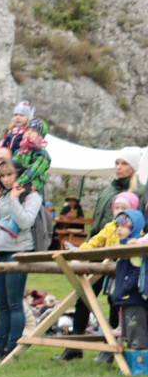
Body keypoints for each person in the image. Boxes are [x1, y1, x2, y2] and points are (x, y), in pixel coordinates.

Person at [55, 148, 142, 362]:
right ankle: (74, 345)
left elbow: (140, 221)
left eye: (124, 163)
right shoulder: (108, 189)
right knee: (83, 296)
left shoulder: (140, 191)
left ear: (133, 167)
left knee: (115, 299)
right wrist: (86, 246)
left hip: (121, 253)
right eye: (117, 162)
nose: (119, 167)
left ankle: (109, 348)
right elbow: (98, 223)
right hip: (97, 248)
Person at [0, 160, 42, 359]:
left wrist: (15, 200)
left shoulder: (32, 196)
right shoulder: (3, 194)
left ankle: (12, 347)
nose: (6, 179)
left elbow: (25, 222)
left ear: (19, 176)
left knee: (14, 302)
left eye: (10, 175)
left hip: (17, 252)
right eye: (3, 176)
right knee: (1, 303)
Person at [110, 209, 148, 350]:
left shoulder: (137, 248)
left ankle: (140, 363)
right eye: (117, 226)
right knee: (128, 332)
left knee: (137, 332)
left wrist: (126, 288)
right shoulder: (125, 247)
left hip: (134, 297)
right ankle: (131, 363)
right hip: (125, 297)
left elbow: (137, 273)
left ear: (134, 227)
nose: (119, 229)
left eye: (123, 226)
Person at [14, 118, 52, 194]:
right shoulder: (20, 151)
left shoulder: (42, 153)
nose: (29, 133)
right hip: (17, 181)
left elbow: (33, 172)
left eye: (33, 130)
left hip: (31, 185)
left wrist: (19, 182)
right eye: (27, 130)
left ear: (40, 135)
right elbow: (12, 166)